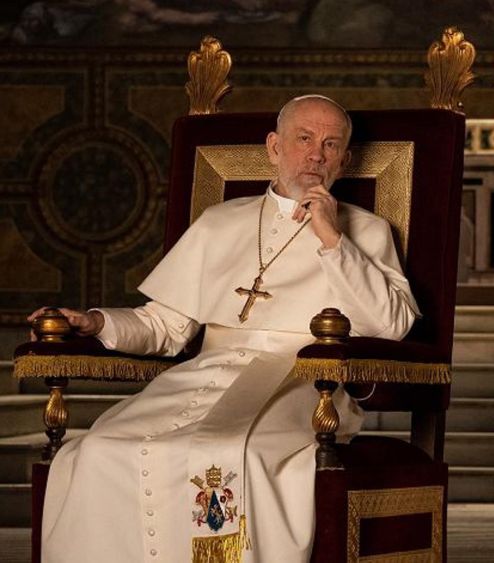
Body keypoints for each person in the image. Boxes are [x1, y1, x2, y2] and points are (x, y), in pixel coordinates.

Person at [30, 94, 419, 563]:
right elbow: (165, 327)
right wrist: (95, 321)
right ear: (274, 147)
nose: (316, 154)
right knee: (99, 449)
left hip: (305, 383)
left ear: (345, 160)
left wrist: (331, 237)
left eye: (330, 144)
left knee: (228, 451)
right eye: (304, 138)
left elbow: (391, 325)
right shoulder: (218, 222)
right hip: (205, 371)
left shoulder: (367, 230)